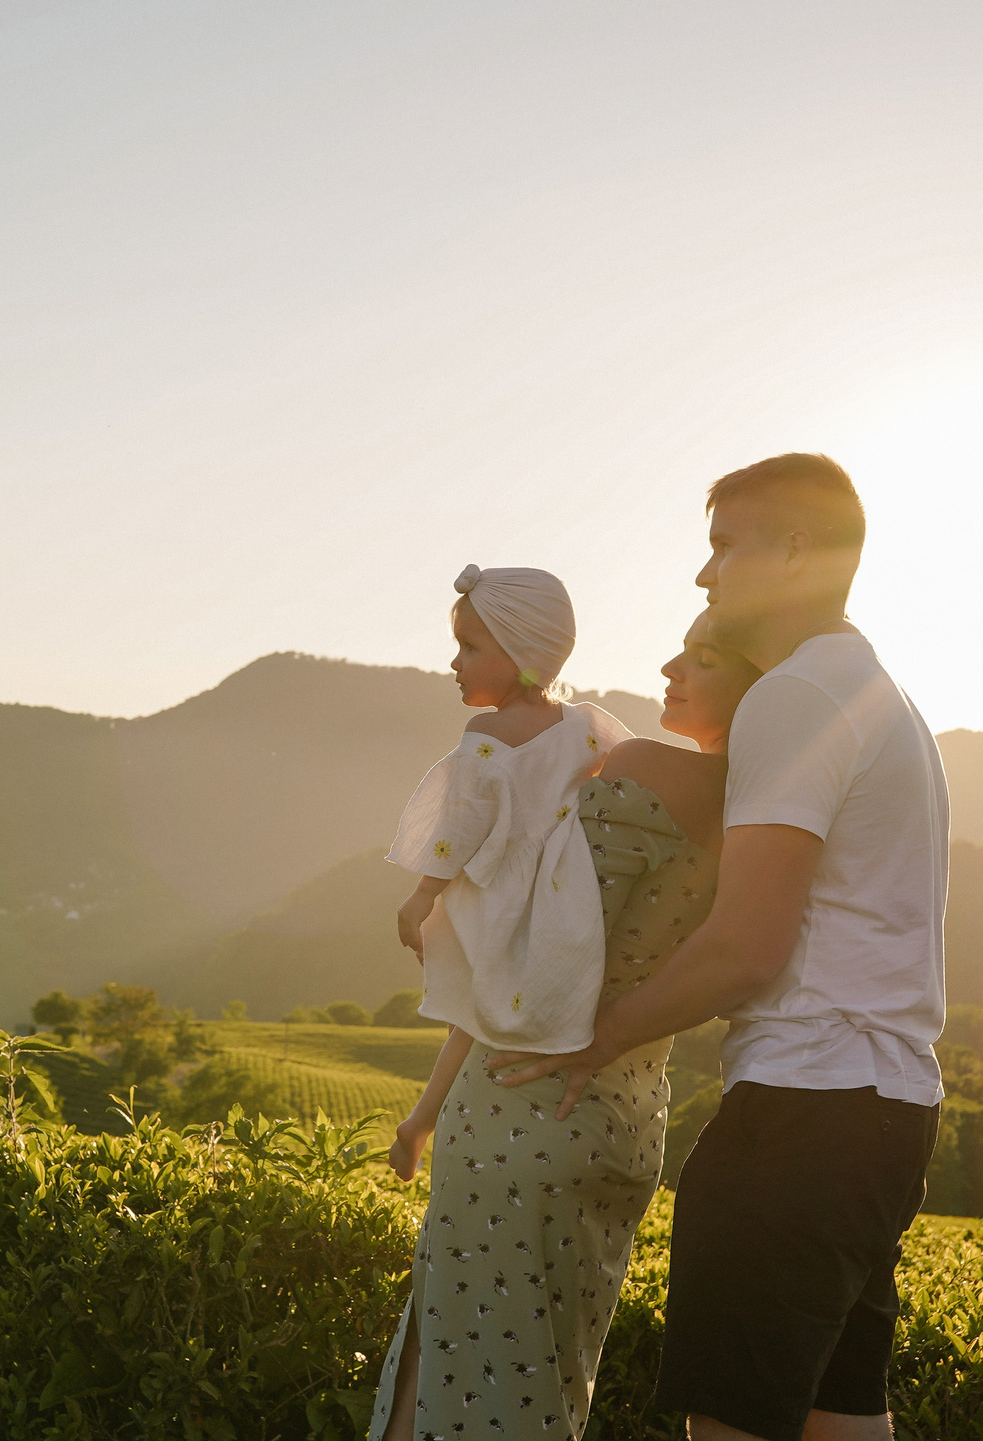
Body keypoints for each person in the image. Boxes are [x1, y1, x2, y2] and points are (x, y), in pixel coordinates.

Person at [491, 453, 949, 1441]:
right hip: (889, 1111)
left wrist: (593, 1035)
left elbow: (746, 943)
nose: (704, 576)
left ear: (793, 550)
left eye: (722, 547)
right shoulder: (880, 694)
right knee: (844, 1421)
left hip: (803, 1111)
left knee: (733, 1427)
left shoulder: (797, 695)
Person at [368, 597, 765, 1441]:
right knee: (544, 1389)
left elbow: (528, 966)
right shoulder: (763, 821)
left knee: (450, 1380)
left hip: (522, 1109)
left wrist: (436, 893)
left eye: (703, 657)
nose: (670, 668)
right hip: (626, 1122)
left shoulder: (640, 773)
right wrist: (425, 1113)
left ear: (760, 688)